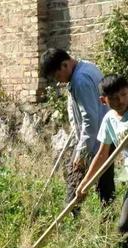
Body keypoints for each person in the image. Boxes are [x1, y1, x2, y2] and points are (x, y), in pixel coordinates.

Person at [40, 48, 115, 211]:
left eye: (57, 76)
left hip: (95, 143)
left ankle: (70, 223)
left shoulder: (80, 80)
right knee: (106, 189)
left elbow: (90, 120)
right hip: (105, 137)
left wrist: (81, 153)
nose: (59, 81)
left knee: (76, 186)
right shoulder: (87, 66)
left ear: (64, 65)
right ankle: (108, 228)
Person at [76, 75, 128, 248]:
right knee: (123, 227)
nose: (121, 101)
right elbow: (101, 155)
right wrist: (85, 183)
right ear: (103, 100)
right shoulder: (109, 120)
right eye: (114, 98)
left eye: (123, 94)